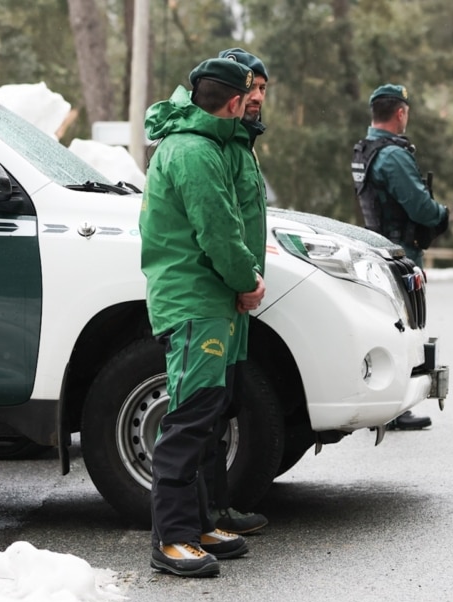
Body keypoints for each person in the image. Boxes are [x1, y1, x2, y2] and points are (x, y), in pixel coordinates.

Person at [140, 57, 263, 577]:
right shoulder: (194, 151)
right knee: (190, 418)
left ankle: (199, 522)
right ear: (233, 103)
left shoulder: (203, 144)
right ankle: (172, 539)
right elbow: (218, 231)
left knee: (208, 413)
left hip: (208, 301)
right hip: (195, 303)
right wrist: (247, 280)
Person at [197, 46, 272, 536]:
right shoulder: (213, 145)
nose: (258, 98)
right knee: (202, 411)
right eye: (251, 89)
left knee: (222, 405)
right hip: (217, 295)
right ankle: (200, 518)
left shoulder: (240, 142)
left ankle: (215, 511)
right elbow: (218, 225)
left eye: (264, 89)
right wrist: (245, 279)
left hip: (235, 296)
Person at [351, 83, 448, 430]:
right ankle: (394, 409)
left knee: (387, 326)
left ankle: (384, 405)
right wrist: (442, 214)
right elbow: (420, 207)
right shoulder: (392, 155)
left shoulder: (365, 149)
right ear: (401, 113)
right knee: (406, 327)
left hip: (377, 246)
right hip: (399, 253)